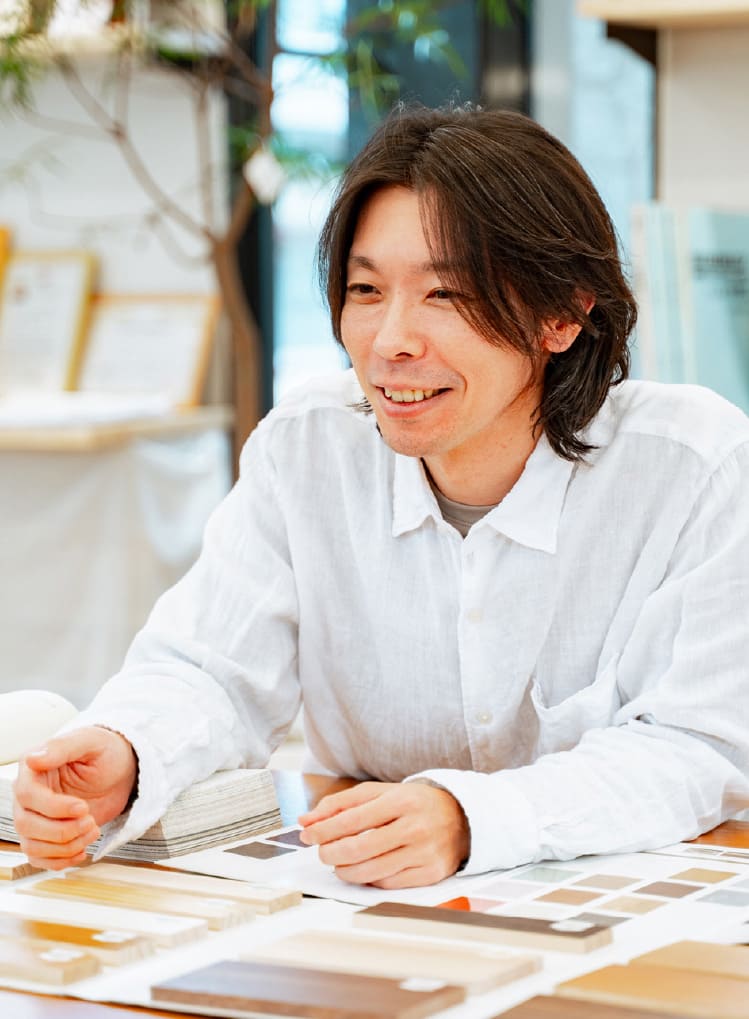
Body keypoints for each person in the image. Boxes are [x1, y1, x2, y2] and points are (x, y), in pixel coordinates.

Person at [13, 104, 749, 889]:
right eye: (365, 289)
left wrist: (467, 817)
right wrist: (128, 749)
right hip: (362, 898)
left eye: (446, 294)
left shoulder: (695, 466)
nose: (390, 340)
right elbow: (213, 668)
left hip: (624, 909)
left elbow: (699, 744)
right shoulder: (307, 446)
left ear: (560, 315)